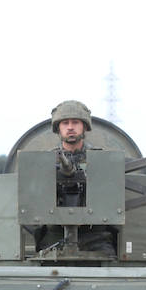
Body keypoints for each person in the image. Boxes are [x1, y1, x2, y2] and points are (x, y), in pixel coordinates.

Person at [34, 99, 115, 254]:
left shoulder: (102, 159)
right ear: (58, 128)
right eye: (65, 123)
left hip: (95, 236)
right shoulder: (44, 161)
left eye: (75, 122)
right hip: (55, 235)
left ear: (84, 126)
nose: (70, 127)